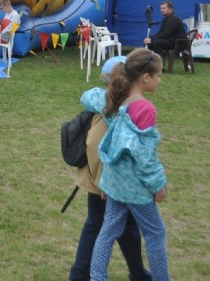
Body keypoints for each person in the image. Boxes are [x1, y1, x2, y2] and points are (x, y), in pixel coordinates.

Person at [85, 48, 170, 281]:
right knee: (155, 232)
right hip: (135, 188)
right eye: (158, 75)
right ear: (145, 77)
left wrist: (106, 183)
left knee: (108, 229)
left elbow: (89, 96)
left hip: (114, 183)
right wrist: (158, 185)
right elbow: (144, 156)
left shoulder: (113, 101)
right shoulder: (144, 109)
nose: (159, 80)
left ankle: (97, 276)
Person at [68, 56, 152, 281]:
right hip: (111, 172)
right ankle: (80, 274)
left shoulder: (102, 99)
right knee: (104, 222)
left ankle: (136, 273)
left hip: (104, 168)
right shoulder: (125, 107)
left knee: (120, 224)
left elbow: (87, 95)